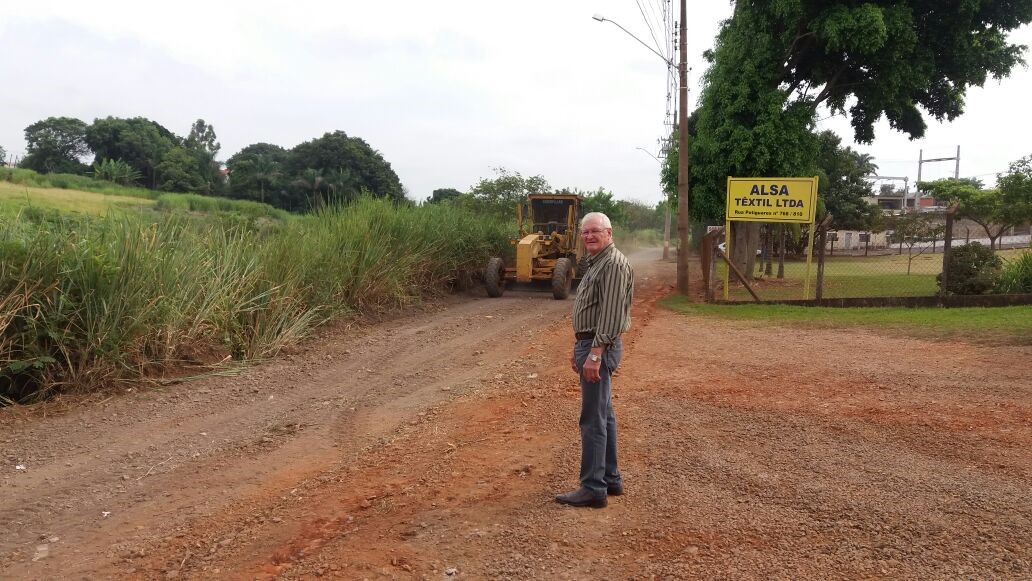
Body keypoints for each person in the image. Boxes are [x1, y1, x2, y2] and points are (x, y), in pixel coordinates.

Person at [555, 212, 634, 509]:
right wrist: (581, 347)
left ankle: (592, 487)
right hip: (589, 344)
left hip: (598, 347)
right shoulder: (598, 262)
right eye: (585, 232)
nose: (589, 236)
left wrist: (594, 353)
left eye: (595, 231)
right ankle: (610, 479)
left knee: (593, 420)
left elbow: (611, 316)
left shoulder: (612, 264)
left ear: (609, 233)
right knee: (605, 414)